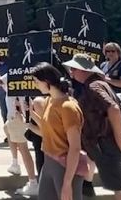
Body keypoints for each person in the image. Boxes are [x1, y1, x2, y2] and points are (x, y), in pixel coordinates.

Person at [63, 54, 121, 200]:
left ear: (82, 70)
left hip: (104, 144)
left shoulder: (93, 86)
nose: (71, 72)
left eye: (73, 69)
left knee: (119, 188)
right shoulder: (98, 83)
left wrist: (120, 138)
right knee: (116, 186)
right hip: (102, 144)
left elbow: (113, 108)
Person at [31, 62, 84, 200]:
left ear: (46, 81)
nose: (35, 85)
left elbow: (75, 147)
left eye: (36, 82)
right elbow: (49, 132)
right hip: (49, 162)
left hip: (65, 166)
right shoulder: (49, 101)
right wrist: (28, 121)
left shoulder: (68, 107)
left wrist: (67, 182)